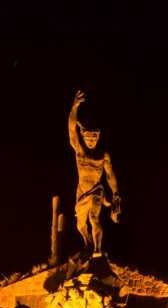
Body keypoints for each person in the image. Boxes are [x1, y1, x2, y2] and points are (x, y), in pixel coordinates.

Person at [68, 90, 120, 256]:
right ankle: (88, 243)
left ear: (98, 138)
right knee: (80, 225)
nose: (91, 141)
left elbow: (110, 175)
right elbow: (71, 128)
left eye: (94, 139)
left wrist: (115, 193)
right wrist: (74, 107)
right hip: (82, 191)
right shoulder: (79, 150)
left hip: (97, 191)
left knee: (94, 218)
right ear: (84, 138)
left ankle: (97, 250)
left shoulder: (103, 155)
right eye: (89, 139)